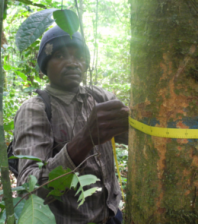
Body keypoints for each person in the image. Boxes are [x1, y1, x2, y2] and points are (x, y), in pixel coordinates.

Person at [12, 26, 129, 224]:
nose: (73, 63)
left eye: (79, 56)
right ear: (44, 67)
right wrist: (85, 139)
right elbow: (29, 188)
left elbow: (135, 133)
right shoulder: (35, 109)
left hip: (111, 214)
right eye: (60, 55)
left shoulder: (99, 96)